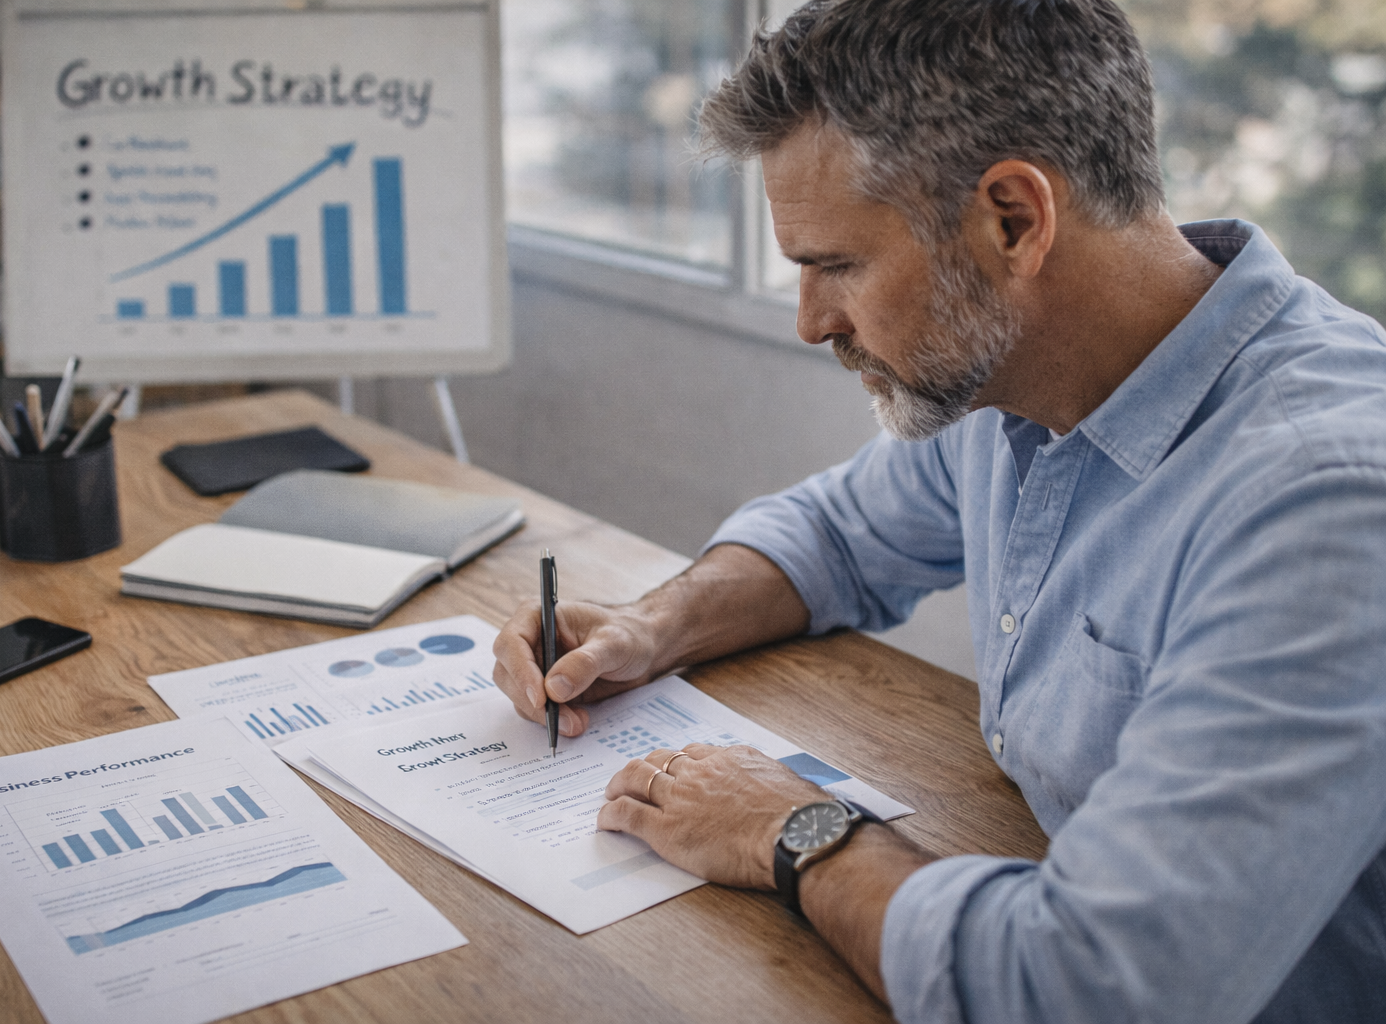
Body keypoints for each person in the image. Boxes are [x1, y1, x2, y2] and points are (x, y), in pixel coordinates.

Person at [490, 1, 1386, 1021]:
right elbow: (834, 535)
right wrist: (653, 625)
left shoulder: (1325, 502)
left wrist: (794, 829)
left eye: (837, 263)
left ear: (1013, 218)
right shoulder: (1017, 371)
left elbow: (1084, 993)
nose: (810, 320)